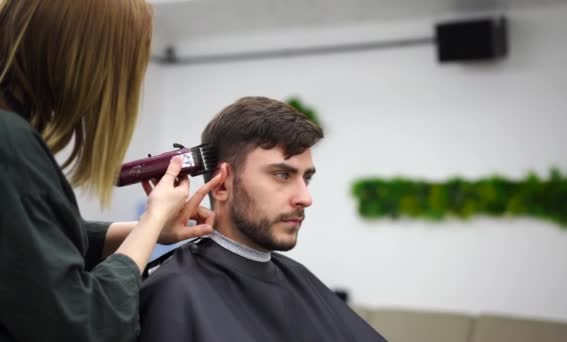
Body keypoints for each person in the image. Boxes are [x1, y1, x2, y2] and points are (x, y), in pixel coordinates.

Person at [0, 1, 221, 341]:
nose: (303, 198)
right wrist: (152, 218)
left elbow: (31, 242)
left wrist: (151, 227)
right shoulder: (8, 140)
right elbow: (80, 323)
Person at [139, 96, 385, 341]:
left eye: (306, 178)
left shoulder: (298, 277)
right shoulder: (173, 291)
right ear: (222, 184)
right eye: (282, 175)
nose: (305, 197)